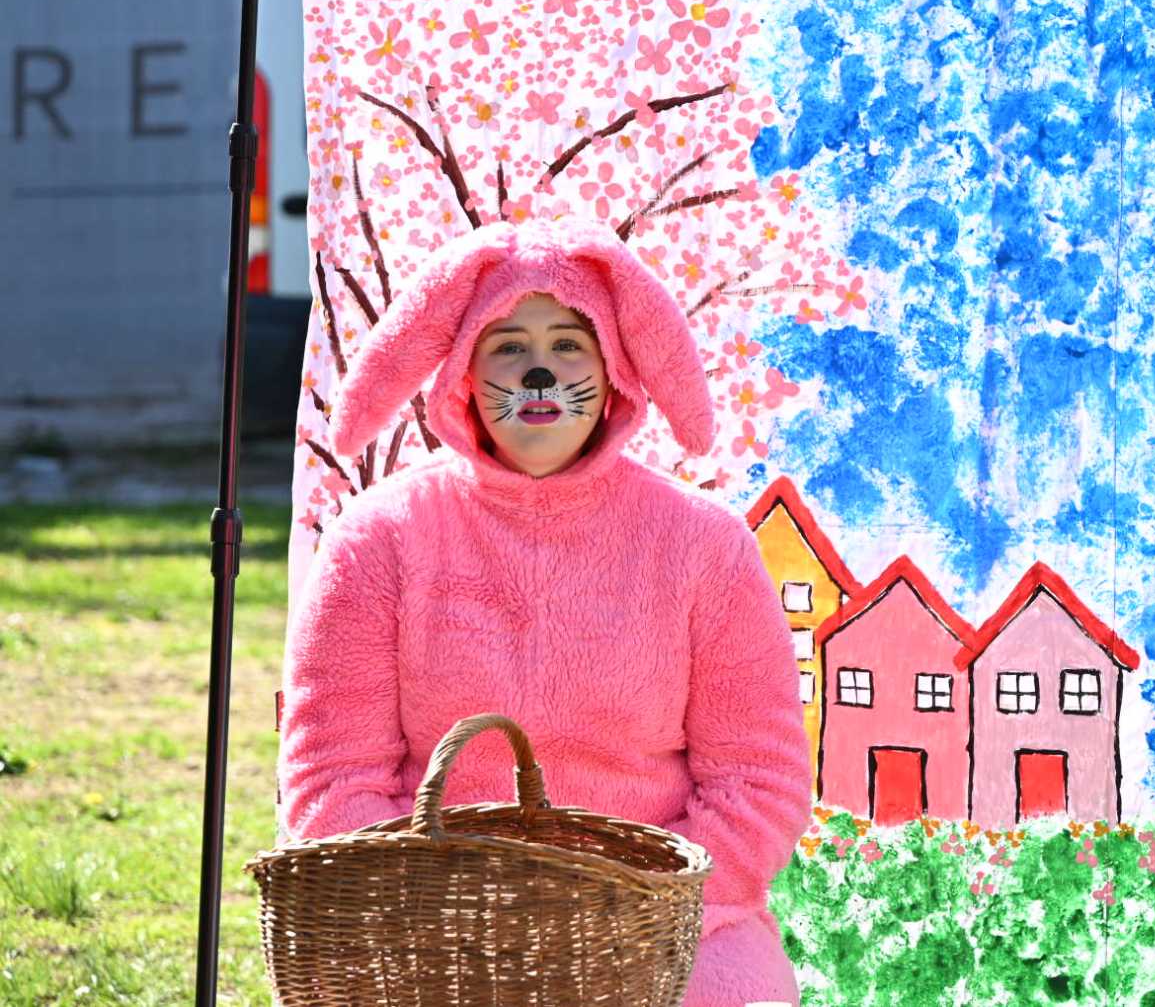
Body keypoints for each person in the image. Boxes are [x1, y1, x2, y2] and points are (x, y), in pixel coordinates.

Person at [276, 217, 811, 1007]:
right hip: (429, 927)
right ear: (462, 370)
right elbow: (332, 778)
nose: (538, 372)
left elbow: (758, 782)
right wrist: (450, 914)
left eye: (567, 344)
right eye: (507, 346)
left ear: (615, 367)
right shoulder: (378, 540)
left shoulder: (704, 545)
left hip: (667, 925)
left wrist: (632, 909)